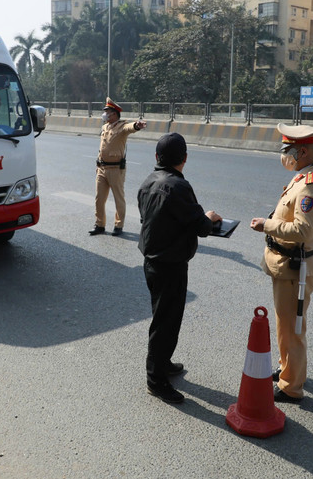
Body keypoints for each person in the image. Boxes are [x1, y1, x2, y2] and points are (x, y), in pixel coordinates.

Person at [138, 132, 222, 403]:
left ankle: (163, 363)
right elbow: (200, 226)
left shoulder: (148, 181)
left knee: (162, 318)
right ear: (184, 159)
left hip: (151, 261)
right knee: (166, 323)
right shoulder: (178, 186)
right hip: (170, 265)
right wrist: (209, 218)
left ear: (156, 157)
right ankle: (156, 379)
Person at [249, 124, 313, 404]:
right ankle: (288, 369)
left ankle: (291, 387)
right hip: (285, 265)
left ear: (304, 151)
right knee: (285, 326)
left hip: (296, 269)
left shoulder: (312, 187)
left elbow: (303, 231)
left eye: (289, 151)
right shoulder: (303, 177)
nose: (285, 156)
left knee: (292, 330)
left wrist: (266, 225)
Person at [89, 97, 147, 236]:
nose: (105, 114)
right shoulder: (105, 127)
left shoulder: (122, 127)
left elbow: (130, 127)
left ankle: (118, 225)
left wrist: (137, 125)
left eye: (107, 111)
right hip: (102, 168)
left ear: (114, 113)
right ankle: (99, 225)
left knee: (118, 198)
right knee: (99, 198)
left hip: (116, 169)